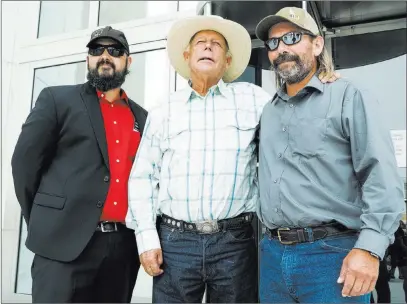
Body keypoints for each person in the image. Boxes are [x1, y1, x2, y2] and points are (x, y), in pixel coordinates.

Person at [128, 15, 338, 303]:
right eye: (201, 43)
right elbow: (142, 178)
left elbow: (294, 121)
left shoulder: (254, 99)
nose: (208, 47)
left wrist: (322, 84)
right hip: (175, 242)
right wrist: (147, 238)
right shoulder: (164, 109)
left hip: (234, 241)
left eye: (216, 44)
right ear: (188, 56)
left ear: (227, 61)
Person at [255, 7, 406, 303]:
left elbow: (382, 178)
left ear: (318, 44)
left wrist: (369, 248)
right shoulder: (268, 112)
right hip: (271, 256)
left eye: (292, 37)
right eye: (273, 43)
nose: (281, 48)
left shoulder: (349, 96)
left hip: (332, 256)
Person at [11, 26, 147, 303]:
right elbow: (24, 165)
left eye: (115, 50)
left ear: (128, 61)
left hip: (121, 249)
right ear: (88, 59)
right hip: (62, 243)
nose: (105, 56)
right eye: (96, 50)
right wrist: (44, 218)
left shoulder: (141, 117)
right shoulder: (57, 99)